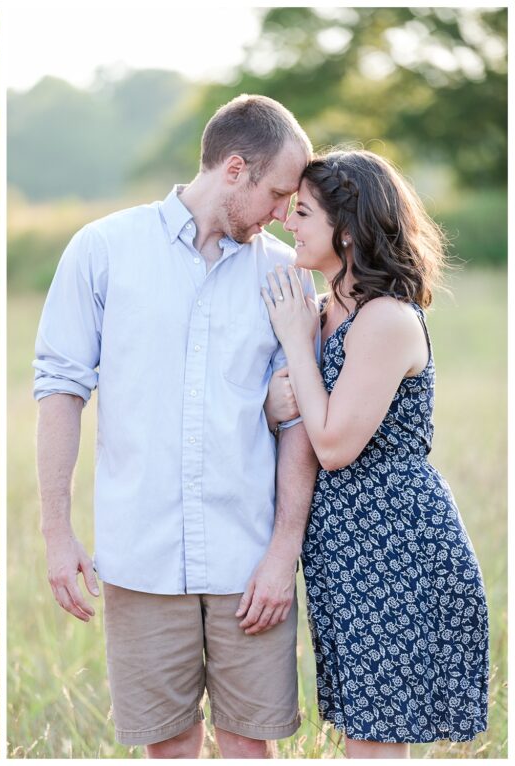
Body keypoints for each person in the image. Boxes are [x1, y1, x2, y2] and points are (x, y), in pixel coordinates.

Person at [34, 94, 320, 758]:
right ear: (235, 169)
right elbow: (59, 392)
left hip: (247, 564)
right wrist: (56, 533)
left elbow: (300, 421)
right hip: (140, 557)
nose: (284, 212)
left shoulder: (285, 276)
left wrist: (282, 555)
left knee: (250, 747)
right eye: (278, 192)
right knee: (167, 749)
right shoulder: (102, 249)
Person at [261, 150, 489, 758]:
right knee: (360, 740)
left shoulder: (385, 319)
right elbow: (296, 410)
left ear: (349, 228)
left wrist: (295, 342)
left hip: (396, 548)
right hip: (345, 551)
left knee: (375, 747)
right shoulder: (329, 308)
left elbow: (333, 444)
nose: (288, 220)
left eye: (303, 211)